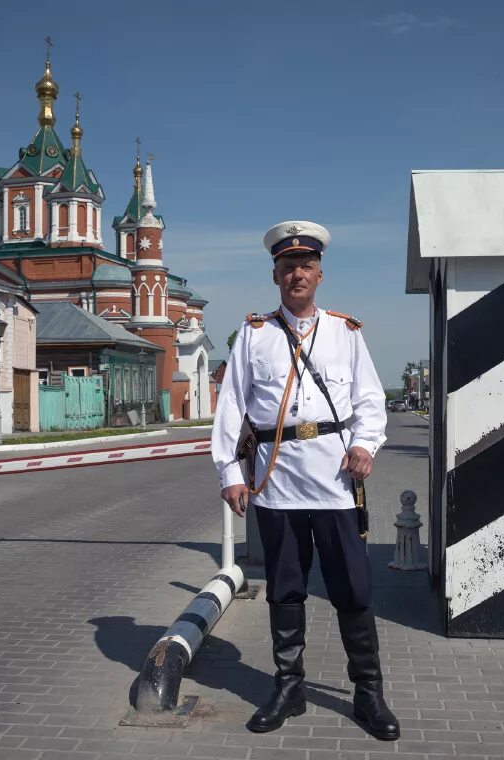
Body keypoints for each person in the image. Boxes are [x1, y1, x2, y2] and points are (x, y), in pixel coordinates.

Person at [211, 221, 399, 740]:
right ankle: (289, 688)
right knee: (286, 591)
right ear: (275, 275)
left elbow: (370, 400)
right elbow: (232, 406)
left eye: (306, 266)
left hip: (336, 483)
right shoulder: (254, 335)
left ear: (320, 275)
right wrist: (230, 472)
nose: (298, 274)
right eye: (288, 267)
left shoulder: (345, 332)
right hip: (278, 484)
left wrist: (365, 445)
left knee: (353, 590)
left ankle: (368, 693)